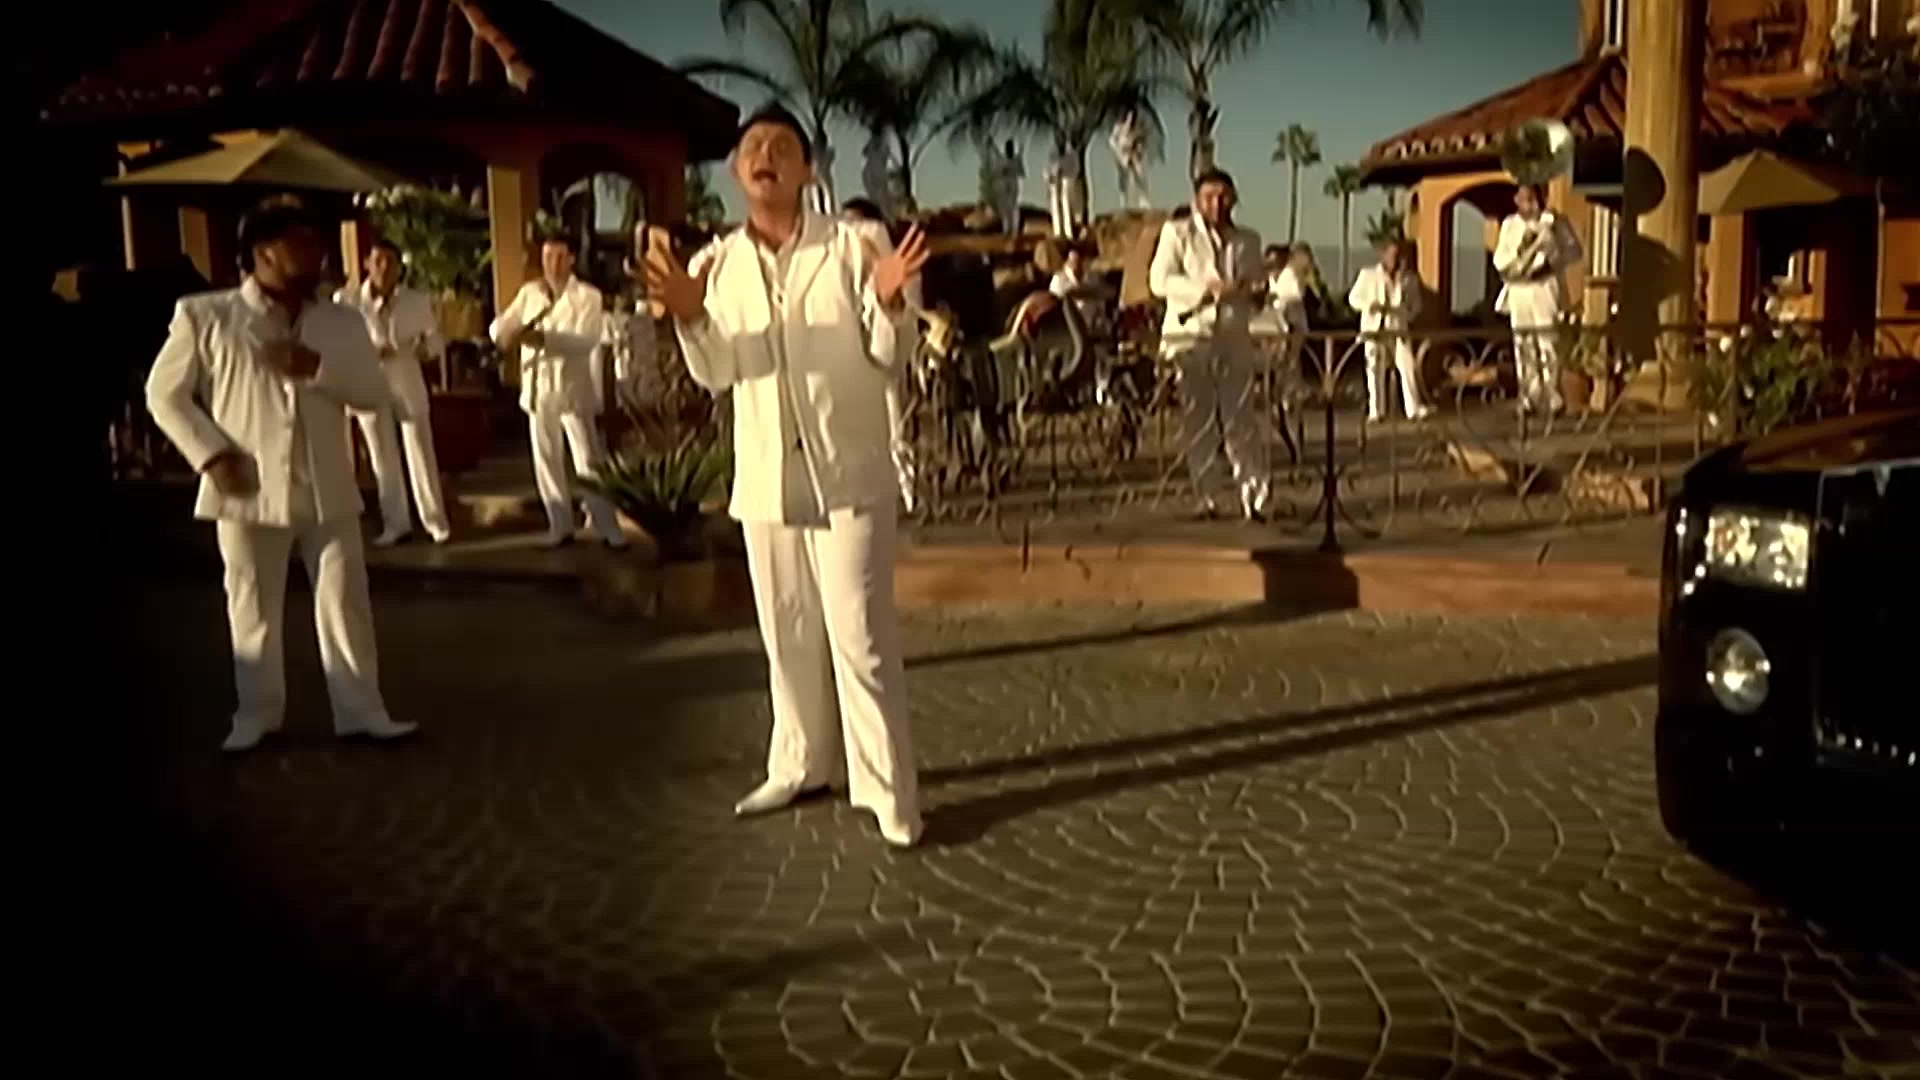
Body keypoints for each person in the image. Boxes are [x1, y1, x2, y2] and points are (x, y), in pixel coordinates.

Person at [647, 103, 931, 848]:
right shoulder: (717, 265)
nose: (764, 156)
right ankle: (801, 763)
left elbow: (888, 356)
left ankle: (886, 790)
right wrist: (691, 317)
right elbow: (718, 373)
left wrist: (889, 303)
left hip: (848, 473)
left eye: (781, 146)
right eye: (752, 147)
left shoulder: (854, 246)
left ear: (808, 169)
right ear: (736, 171)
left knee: (860, 634)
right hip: (768, 479)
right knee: (787, 631)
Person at [145, 195, 416, 752]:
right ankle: (257, 715)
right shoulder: (207, 316)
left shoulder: (340, 320)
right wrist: (211, 456)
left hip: (327, 486)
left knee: (346, 601)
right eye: (300, 240)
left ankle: (362, 711)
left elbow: (373, 393)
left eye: (316, 239)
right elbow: (163, 395)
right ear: (262, 251)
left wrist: (317, 369)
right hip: (247, 486)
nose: (315, 251)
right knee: (251, 605)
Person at [489, 235, 628, 549]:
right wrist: (504, 334)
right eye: (547, 256)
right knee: (546, 460)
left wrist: (544, 340)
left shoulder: (588, 297)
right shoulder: (530, 293)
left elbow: (585, 341)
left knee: (588, 461)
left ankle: (608, 527)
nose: (552, 263)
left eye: (559, 256)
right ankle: (560, 525)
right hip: (538, 389)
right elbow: (502, 325)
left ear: (571, 259)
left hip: (571, 389)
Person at [1148, 168, 1271, 521]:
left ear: (1233, 199)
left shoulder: (1248, 240)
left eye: (1223, 197)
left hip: (1233, 335)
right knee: (1198, 418)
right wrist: (1205, 290)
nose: (1217, 204)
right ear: (1197, 200)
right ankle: (1207, 496)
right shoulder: (1178, 232)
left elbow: (1256, 286)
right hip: (1192, 336)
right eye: (1209, 197)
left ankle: (1254, 496)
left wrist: (1253, 291)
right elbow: (1159, 280)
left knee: (1241, 416)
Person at [335, 238, 452, 546]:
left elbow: (435, 339)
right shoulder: (347, 301)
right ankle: (395, 523)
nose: (383, 268)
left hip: (406, 378)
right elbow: (339, 342)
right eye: (378, 261)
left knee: (420, 450)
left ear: (399, 268)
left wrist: (424, 349)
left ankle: (435, 521)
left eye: (390, 262)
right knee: (381, 456)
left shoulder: (416, 301)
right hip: (368, 381)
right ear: (367, 264)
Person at [842, 197, 923, 514]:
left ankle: (907, 493)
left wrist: (887, 299)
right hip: (850, 367)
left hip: (887, 363)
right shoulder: (841, 271)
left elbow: (908, 314)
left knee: (896, 429)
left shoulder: (898, 265)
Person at [1492, 184, 1583, 414]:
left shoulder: (1555, 221)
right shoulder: (1510, 225)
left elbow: (1574, 251)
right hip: (1519, 288)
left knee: (1547, 340)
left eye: (1534, 198)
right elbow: (1500, 259)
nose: (1531, 204)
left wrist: (1552, 251)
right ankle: (1529, 395)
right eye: (1526, 199)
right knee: (1523, 342)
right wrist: (1522, 250)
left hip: (1544, 286)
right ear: (1517, 200)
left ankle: (1552, 394)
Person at [1348, 237, 1430, 423]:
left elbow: (1416, 305)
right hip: (1375, 328)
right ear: (1383, 255)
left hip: (1398, 328)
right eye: (1392, 255)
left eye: (1398, 255)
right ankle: (1376, 411)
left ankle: (1413, 408)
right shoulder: (1368, 275)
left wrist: (1405, 314)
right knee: (1374, 368)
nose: (1395, 259)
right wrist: (1370, 305)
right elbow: (1353, 299)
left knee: (1407, 365)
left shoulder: (1409, 279)